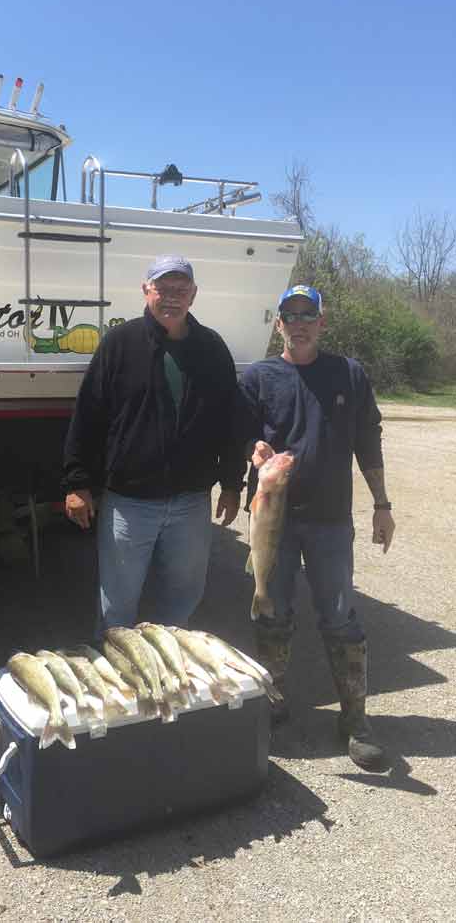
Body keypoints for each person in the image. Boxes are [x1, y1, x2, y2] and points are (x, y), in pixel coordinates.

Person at [239, 284, 396, 771]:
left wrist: (382, 503)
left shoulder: (348, 373)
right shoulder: (259, 377)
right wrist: (253, 450)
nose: (300, 322)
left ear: (322, 323)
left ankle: (355, 719)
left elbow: (368, 439)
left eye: (310, 314)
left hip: (330, 522)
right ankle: (272, 701)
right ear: (279, 323)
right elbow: (240, 431)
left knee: (341, 618)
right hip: (274, 522)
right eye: (291, 314)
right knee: (270, 612)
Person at [63, 255, 246, 635]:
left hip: (191, 503)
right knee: (117, 605)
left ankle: (164, 678)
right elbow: (88, 415)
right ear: (147, 290)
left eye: (181, 289)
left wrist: (231, 484)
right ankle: (114, 679)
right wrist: (77, 482)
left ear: (194, 295)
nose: (172, 297)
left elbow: (231, 422)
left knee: (183, 597)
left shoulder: (212, 348)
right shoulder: (119, 343)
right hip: (129, 504)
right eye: (163, 288)